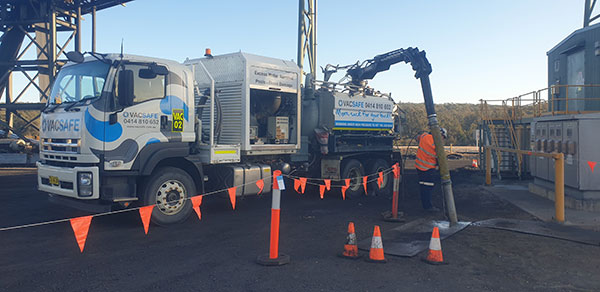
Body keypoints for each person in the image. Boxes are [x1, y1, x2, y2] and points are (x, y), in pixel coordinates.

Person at [414, 128, 447, 212]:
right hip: (428, 169)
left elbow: (417, 137)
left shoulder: (424, 136)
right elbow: (440, 159)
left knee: (423, 187)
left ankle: (425, 205)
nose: (443, 139)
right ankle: (428, 207)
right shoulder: (437, 145)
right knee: (427, 188)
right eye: (443, 137)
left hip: (419, 167)